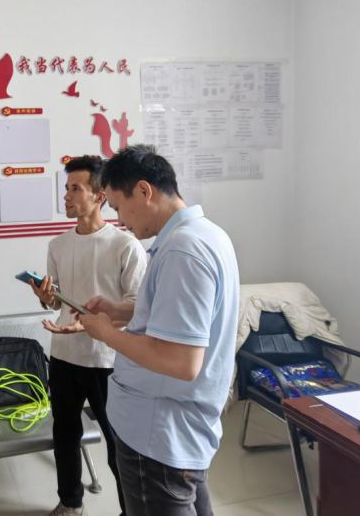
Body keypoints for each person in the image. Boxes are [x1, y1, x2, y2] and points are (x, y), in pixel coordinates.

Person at [78, 145, 239, 516]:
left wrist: (105, 333)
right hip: (177, 429)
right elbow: (185, 320)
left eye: (118, 207)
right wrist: (120, 311)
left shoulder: (183, 250)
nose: (120, 220)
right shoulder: (206, 234)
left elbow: (179, 361)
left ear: (143, 191)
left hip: (159, 435)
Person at [30, 156, 147, 516]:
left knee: (118, 442)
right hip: (64, 353)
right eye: (65, 188)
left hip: (107, 359)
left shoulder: (125, 245)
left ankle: (130, 509)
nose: (66, 196)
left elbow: (137, 308)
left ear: (99, 196)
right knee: (65, 435)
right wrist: (46, 297)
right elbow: (57, 302)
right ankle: (70, 503)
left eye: (75, 189)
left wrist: (90, 325)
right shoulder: (57, 245)